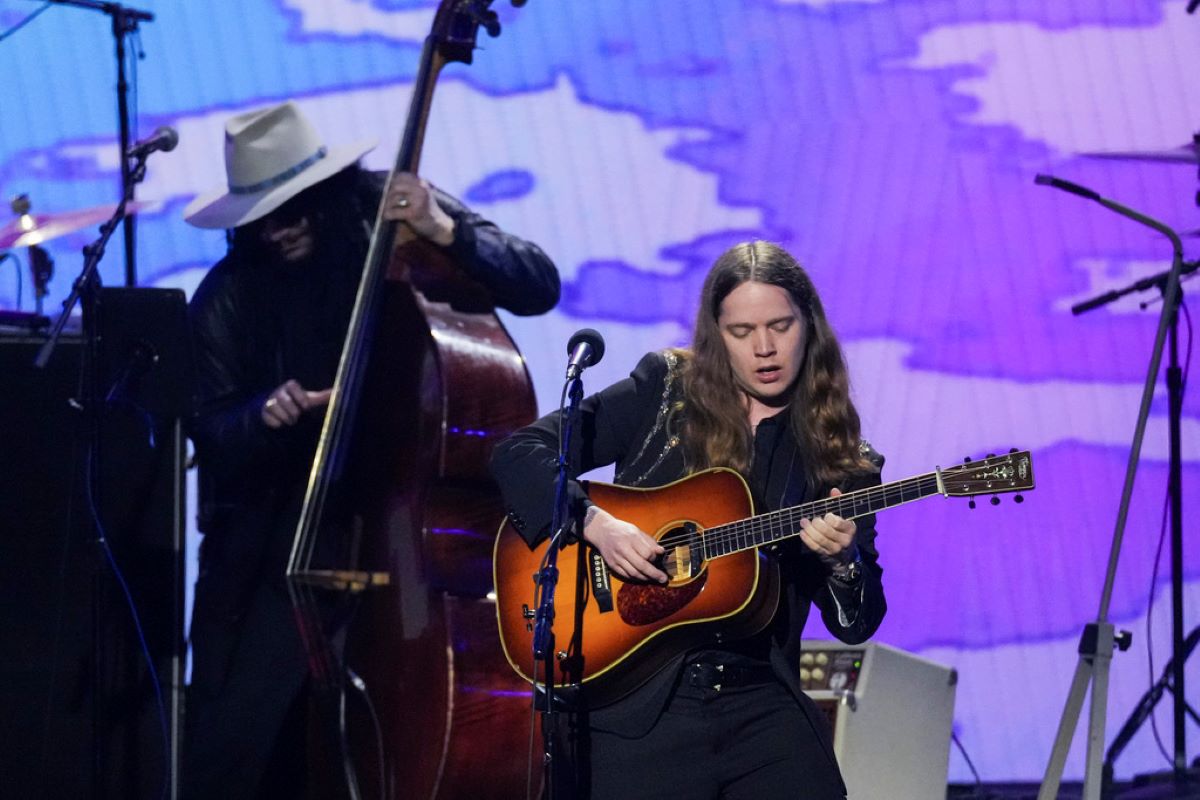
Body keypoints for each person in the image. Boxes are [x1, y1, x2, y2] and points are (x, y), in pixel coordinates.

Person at [182, 100, 560, 798]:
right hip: (278, 542)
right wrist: (262, 415)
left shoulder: (394, 216)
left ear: (328, 191)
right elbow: (207, 428)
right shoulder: (225, 298)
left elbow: (537, 282)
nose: (282, 225)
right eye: (264, 216)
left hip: (397, 545)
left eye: (296, 206)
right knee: (233, 753)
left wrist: (443, 228)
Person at [491, 240, 884, 799]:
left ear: (809, 326)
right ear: (715, 335)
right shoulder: (665, 389)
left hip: (761, 700)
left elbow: (857, 623)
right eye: (742, 332)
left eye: (781, 326)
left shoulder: (839, 457)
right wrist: (595, 523)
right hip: (640, 702)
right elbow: (519, 453)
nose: (765, 348)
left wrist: (841, 564)